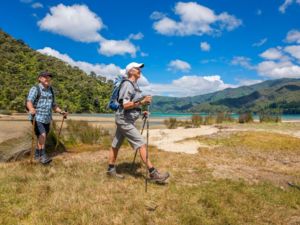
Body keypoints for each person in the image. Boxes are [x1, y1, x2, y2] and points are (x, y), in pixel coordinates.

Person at [107, 62, 170, 183]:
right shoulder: (127, 85)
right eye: (137, 68)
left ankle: (110, 170)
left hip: (125, 119)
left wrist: (142, 112)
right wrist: (142, 102)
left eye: (140, 68)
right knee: (141, 143)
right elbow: (125, 105)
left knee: (116, 144)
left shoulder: (134, 85)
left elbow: (132, 105)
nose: (140, 70)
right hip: (124, 120)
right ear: (130, 71)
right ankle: (153, 173)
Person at [26, 71, 67, 165]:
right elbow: (29, 101)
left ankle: (37, 155)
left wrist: (61, 111)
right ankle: (43, 156)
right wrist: (31, 108)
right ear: (40, 78)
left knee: (42, 137)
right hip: (36, 117)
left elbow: (54, 105)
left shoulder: (51, 90)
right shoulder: (35, 89)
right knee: (42, 135)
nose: (47, 79)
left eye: (49, 77)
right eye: (45, 77)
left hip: (47, 118)